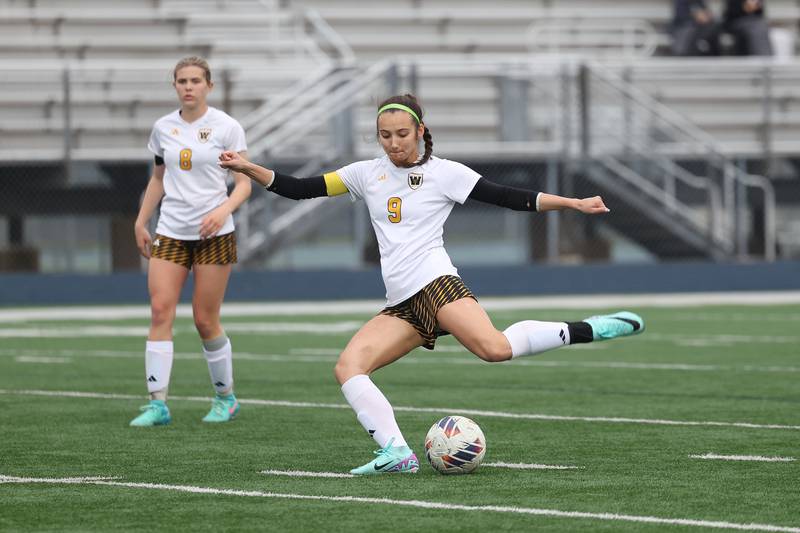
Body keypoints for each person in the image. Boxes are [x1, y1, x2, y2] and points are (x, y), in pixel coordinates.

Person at [218, 94, 645, 474]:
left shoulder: (446, 173)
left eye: (402, 133)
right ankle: (396, 452)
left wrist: (572, 203)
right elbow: (299, 189)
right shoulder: (366, 173)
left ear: (420, 131)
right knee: (348, 368)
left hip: (437, 283)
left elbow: (509, 197)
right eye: (384, 135)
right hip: (401, 302)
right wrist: (247, 168)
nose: (393, 143)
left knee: (494, 350)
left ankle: (589, 328)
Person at [129, 56, 252, 427]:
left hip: (214, 234)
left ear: (208, 86)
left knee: (204, 319)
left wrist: (222, 210)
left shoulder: (226, 127)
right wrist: (141, 220)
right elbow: (158, 178)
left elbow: (244, 183)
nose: (188, 86)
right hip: (171, 230)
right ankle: (157, 404)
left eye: (195, 80)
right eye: (181, 80)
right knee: (160, 310)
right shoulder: (162, 128)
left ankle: (225, 398)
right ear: (175, 86)